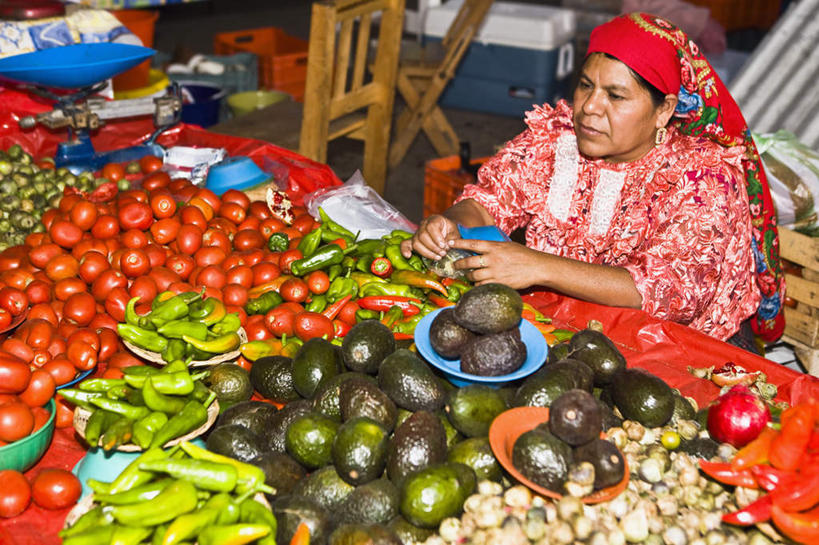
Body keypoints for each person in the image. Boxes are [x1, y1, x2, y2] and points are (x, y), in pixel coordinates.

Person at [402, 12, 785, 348]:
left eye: (616, 96)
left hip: (690, 347)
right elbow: (489, 200)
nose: (589, 108)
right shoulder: (554, 141)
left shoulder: (703, 179)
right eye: (586, 85)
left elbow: (670, 291)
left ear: (664, 110)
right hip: (579, 328)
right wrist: (450, 223)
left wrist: (539, 266)